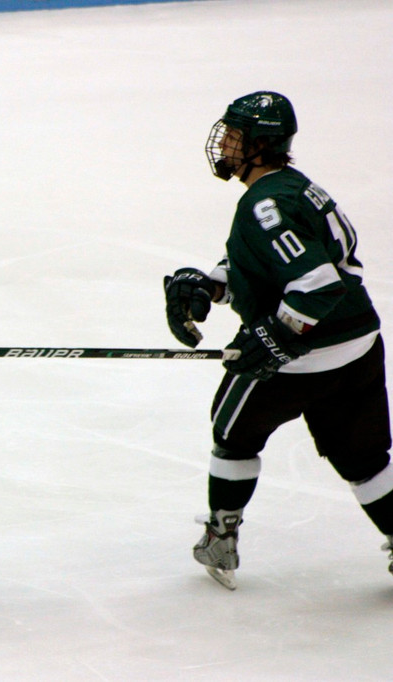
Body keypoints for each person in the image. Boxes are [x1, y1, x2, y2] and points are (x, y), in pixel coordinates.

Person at [163, 91, 393, 590]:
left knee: (233, 438)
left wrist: (276, 335)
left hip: (297, 360)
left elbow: (316, 283)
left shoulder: (262, 205)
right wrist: (213, 283)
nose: (223, 144)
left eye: (235, 136)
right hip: (358, 346)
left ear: (261, 146)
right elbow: (285, 266)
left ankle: (222, 535)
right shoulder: (293, 189)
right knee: (366, 461)